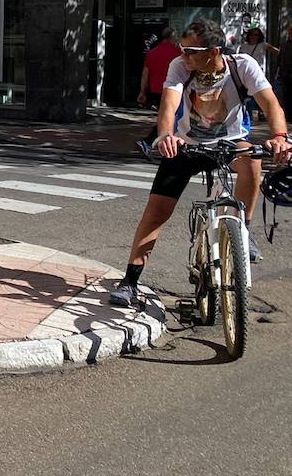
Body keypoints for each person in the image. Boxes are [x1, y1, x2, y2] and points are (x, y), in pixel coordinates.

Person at [110, 19, 292, 308]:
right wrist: (165, 136)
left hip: (230, 142)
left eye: (191, 50)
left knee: (252, 162)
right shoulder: (181, 67)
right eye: (182, 49)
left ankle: (244, 231)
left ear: (213, 50)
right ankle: (130, 281)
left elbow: (270, 104)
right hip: (187, 145)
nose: (184, 56)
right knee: (157, 211)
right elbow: (169, 104)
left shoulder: (242, 65)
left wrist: (280, 136)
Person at [237, 27, 276, 120]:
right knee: (248, 95)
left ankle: (261, 113)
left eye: (256, 35)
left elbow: (276, 51)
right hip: (245, 74)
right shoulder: (244, 46)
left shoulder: (263, 45)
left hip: (259, 74)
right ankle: (249, 114)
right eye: (251, 34)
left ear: (259, 36)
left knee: (259, 93)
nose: (253, 37)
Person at [137, 27, 181, 109]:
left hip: (155, 91)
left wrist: (142, 92)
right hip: (174, 89)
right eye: (176, 37)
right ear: (173, 37)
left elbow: (145, 75)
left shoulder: (151, 53)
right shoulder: (179, 53)